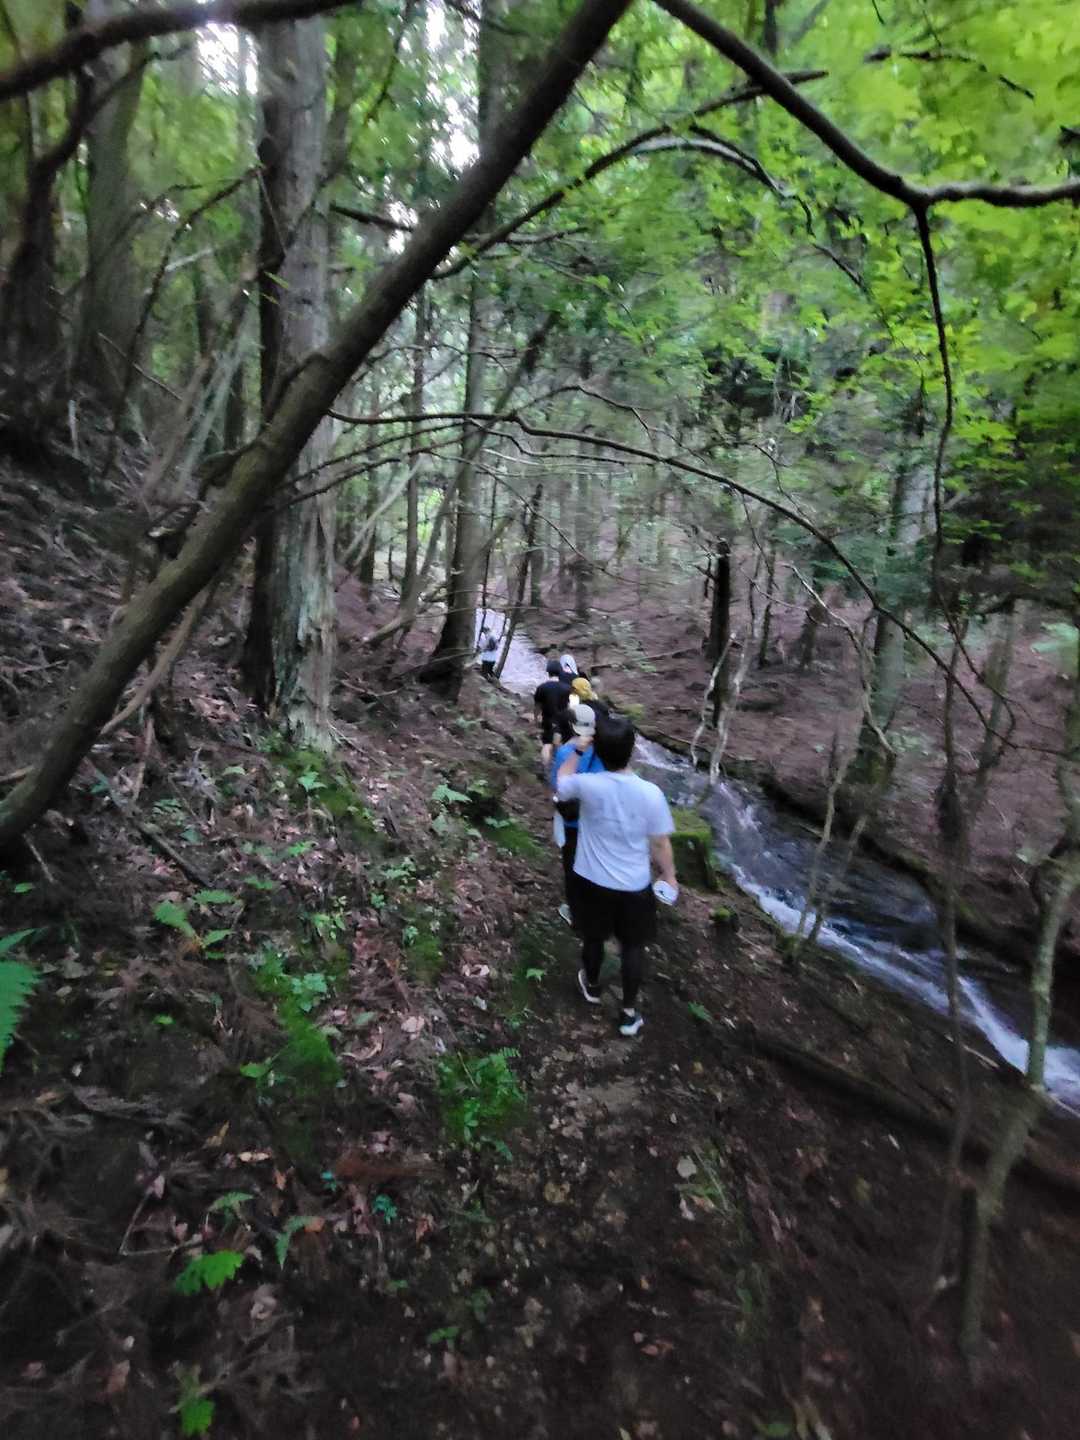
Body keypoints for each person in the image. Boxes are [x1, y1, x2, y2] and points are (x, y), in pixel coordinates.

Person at [557, 714, 677, 1037]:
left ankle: (592, 986)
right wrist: (669, 876)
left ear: (597, 749)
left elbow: (562, 782)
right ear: (632, 750)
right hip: (634, 885)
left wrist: (579, 750)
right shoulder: (651, 793)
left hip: (591, 879)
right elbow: (660, 843)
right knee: (632, 947)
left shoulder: (588, 784)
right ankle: (628, 1013)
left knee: (593, 937)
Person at [549, 704, 604, 925]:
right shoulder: (602, 750)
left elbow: (557, 785)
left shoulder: (565, 752)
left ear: (572, 725)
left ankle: (575, 912)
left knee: (572, 865)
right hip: (596, 819)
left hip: (572, 821)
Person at [533, 659, 572, 769]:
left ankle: (545, 768)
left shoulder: (542, 687)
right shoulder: (567, 688)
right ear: (560, 672)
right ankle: (560, 767)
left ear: (548, 672)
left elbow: (537, 706)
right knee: (560, 745)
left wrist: (536, 718)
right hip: (563, 721)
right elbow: (569, 706)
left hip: (548, 719)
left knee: (547, 744)